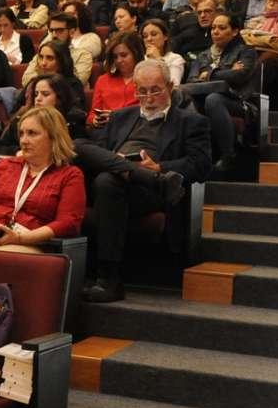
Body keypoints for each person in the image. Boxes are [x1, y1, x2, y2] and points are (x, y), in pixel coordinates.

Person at [76, 60, 212, 303]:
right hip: (124, 181)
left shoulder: (191, 121)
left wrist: (159, 167)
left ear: (170, 87)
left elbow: (201, 165)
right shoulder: (120, 117)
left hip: (149, 192)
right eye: (142, 91)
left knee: (107, 181)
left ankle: (109, 279)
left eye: (155, 90)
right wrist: (123, 165)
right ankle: (142, 174)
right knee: (77, 146)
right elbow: (99, 151)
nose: (148, 98)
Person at [0, 107, 86, 252]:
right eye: (21, 134)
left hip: (29, 242)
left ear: (53, 137)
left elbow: (68, 223)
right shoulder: (5, 165)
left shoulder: (69, 175)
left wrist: (20, 238)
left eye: (32, 133)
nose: (24, 140)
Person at [184, 12, 258, 168]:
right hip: (203, 101)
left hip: (238, 101)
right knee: (187, 100)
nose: (215, 32)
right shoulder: (203, 55)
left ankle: (228, 155)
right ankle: (196, 156)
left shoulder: (246, 51)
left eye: (222, 28)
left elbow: (240, 76)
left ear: (235, 31)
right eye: (213, 28)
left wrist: (208, 74)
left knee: (214, 99)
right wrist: (228, 71)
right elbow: (191, 80)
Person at [88, 31, 144, 128]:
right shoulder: (103, 80)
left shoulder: (147, 78)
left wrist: (117, 117)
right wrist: (95, 120)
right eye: (115, 57)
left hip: (137, 128)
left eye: (124, 55)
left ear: (136, 54)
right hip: (106, 129)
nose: (119, 60)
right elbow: (92, 114)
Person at [140, 18, 186, 86]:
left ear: (165, 36)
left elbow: (174, 85)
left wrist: (158, 59)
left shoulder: (175, 59)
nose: (149, 39)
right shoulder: (141, 60)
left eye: (154, 34)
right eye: (145, 36)